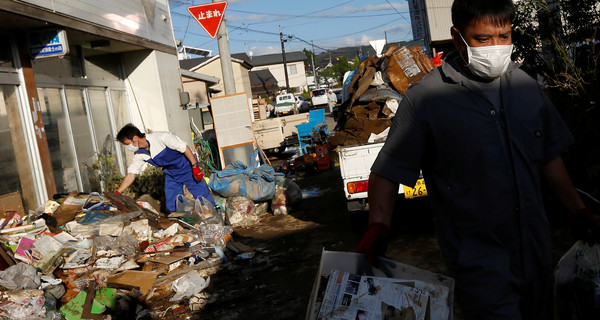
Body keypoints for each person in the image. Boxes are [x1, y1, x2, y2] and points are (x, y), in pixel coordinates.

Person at [356, 0, 600, 319]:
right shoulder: (427, 100)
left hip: (536, 252)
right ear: (458, 38)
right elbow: (388, 171)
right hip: (478, 263)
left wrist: (577, 210)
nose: (495, 48)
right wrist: (378, 226)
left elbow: (548, 156)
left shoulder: (527, 89)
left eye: (504, 36)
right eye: (483, 39)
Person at [115, 124, 215, 213]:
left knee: (203, 196)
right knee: (173, 203)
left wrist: (195, 166)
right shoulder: (139, 155)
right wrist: (117, 193)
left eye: (127, 144)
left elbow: (184, 147)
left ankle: (215, 217)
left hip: (187, 168)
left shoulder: (162, 137)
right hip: (171, 174)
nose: (127, 147)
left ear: (135, 138)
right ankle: (180, 224)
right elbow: (131, 174)